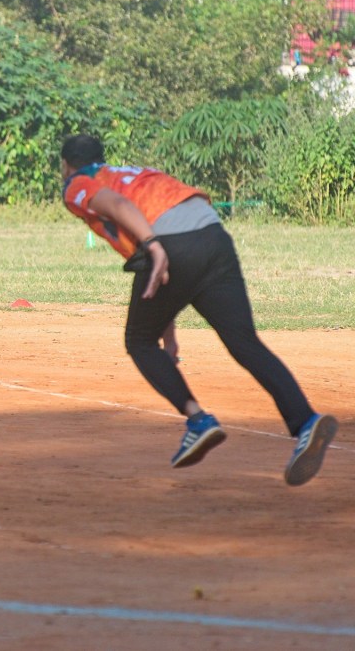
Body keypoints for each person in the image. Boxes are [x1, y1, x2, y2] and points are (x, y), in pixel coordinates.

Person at [59, 133, 337, 486]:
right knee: (243, 341)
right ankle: (306, 421)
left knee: (138, 341)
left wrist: (154, 245)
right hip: (213, 235)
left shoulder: (77, 183)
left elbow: (119, 207)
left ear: (65, 165)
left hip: (168, 243)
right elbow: (169, 251)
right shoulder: (131, 172)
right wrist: (169, 335)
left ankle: (198, 420)